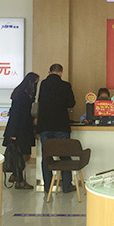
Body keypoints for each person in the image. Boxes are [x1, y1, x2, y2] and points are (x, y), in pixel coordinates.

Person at [36, 63, 76, 194]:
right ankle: (66, 186)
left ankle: (47, 186)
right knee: (64, 155)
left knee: (46, 157)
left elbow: (40, 103)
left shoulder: (43, 84)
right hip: (61, 126)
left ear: (49, 72)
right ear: (61, 73)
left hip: (45, 126)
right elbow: (71, 103)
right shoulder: (66, 85)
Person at [3, 72, 39, 190]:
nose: (36, 85)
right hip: (19, 131)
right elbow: (16, 115)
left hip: (21, 130)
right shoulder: (21, 96)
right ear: (30, 82)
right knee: (20, 156)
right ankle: (20, 181)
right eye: (35, 83)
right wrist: (13, 134)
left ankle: (15, 175)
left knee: (20, 155)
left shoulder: (22, 94)